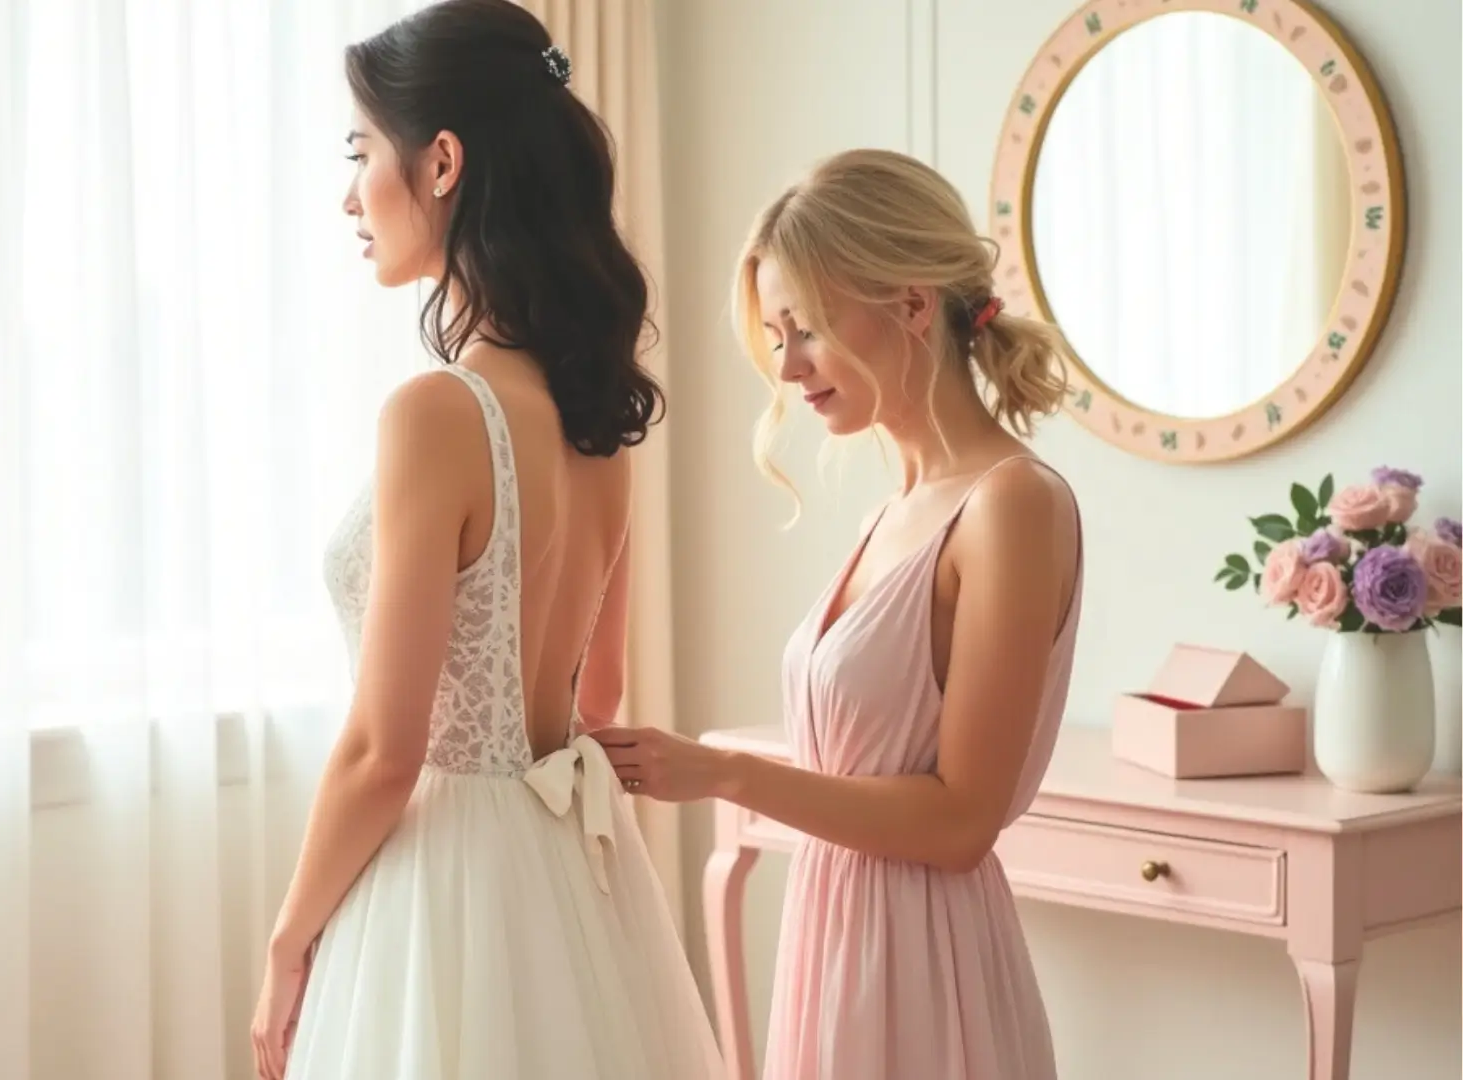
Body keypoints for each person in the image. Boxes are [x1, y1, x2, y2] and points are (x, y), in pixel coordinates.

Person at [249, 3, 724, 1078]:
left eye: (362, 148)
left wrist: (288, 940)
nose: (349, 190)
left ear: (443, 161)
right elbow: (595, 699)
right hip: (566, 879)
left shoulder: (436, 415)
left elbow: (384, 752)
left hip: (443, 884)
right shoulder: (599, 420)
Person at [597, 148, 1084, 1080]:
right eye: (778, 335)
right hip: (834, 940)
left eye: (807, 328)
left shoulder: (1011, 504)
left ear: (909, 306)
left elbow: (958, 824)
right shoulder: (891, 512)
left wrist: (725, 773)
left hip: (928, 969)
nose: (787, 366)